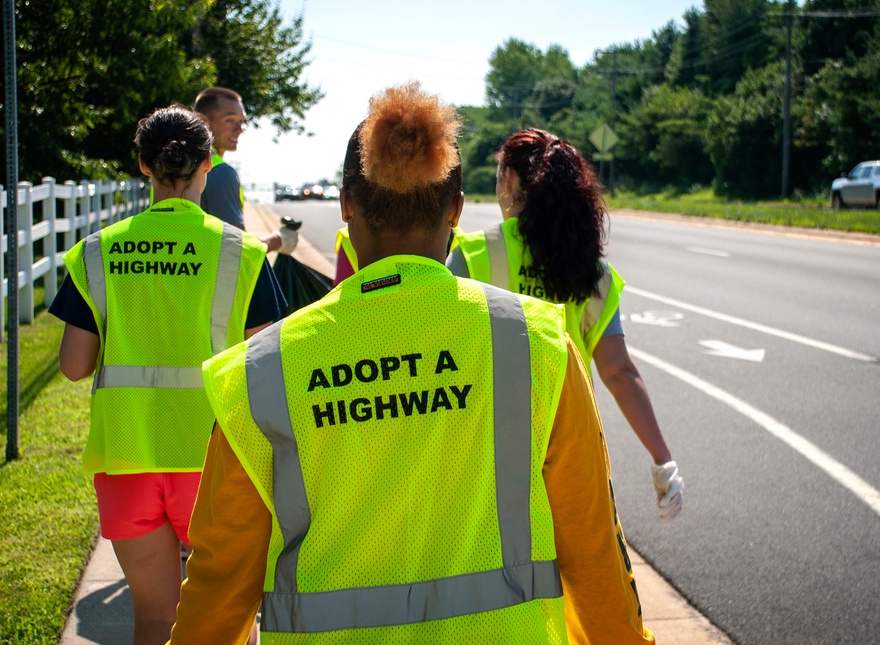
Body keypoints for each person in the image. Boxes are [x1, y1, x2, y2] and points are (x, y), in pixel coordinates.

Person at [169, 83, 654, 644]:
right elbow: (593, 553)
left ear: (346, 205)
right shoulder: (537, 345)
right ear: (456, 209)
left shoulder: (262, 372)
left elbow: (217, 587)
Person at [49, 104, 284, 645]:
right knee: (228, 620)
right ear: (208, 165)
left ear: (143, 165)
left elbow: (73, 365)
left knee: (155, 619)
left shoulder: (98, 252)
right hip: (217, 461)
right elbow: (267, 367)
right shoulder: (242, 254)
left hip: (126, 458)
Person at [446, 128, 684, 525]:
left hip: (489, 448)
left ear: (509, 180)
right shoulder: (592, 271)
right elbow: (618, 372)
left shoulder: (473, 254)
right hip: (572, 447)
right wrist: (663, 460)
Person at [193, 86, 296, 255]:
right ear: (203, 120)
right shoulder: (220, 172)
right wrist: (279, 240)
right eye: (230, 120)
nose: (239, 129)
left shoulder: (171, 165)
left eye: (241, 121)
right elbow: (236, 250)